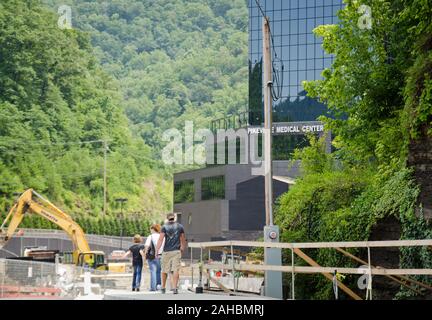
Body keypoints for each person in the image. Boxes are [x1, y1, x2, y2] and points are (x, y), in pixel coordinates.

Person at [156, 213, 186, 294]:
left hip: (166, 251)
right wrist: (182, 248)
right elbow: (183, 239)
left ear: (167, 218)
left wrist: (157, 250)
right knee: (175, 269)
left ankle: (163, 287)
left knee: (164, 270)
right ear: (174, 218)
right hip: (176, 251)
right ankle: (175, 288)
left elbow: (160, 239)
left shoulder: (164, 227)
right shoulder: (180, 226)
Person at [144, 224, 163, 291]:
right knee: (159, 271)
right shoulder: (162, 236)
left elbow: (147, 245)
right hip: (161, 255)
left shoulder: (151, 236)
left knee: (153, 271)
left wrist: (145, 254)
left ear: (153, 229)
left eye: (151, 229)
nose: (150, 231)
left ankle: (153, 287)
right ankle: (159, 286)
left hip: (152, 256)